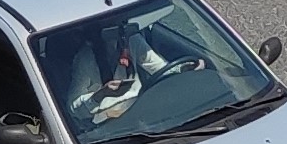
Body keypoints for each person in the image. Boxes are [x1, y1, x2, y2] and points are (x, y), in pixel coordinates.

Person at [68, 28, 204, 124]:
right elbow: (74, 110)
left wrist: (184, 69)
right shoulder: (86, 59)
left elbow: (160, 68)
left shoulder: (132, 41)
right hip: (108, 124)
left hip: (142, 109)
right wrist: (100, 95)